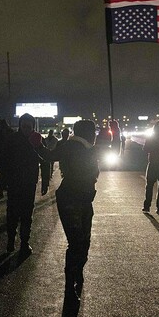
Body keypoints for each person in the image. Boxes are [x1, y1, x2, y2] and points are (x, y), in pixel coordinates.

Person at [32, 120, 99, 304]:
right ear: (86, 133)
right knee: (77, 243)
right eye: (93, 131)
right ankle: (70, 287)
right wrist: (37, 144)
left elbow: (48, 155)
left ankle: (77, 274)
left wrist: (39, 146)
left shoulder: (90, 149)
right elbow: (50, 156)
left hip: (84, 201)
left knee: (83, 243)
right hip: (71, 200)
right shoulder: (72, 147)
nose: (95, 135)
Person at [0, 113, 50, 256]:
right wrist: (4, 180)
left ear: (33, 126)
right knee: (12, 214)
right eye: (24, 125)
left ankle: (24, 242)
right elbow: (3, 161)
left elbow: (45, 160)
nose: (26, 128)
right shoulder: (12, 140)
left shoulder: (38, 140)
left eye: (29, 126)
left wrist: (45, 182)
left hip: (29, 183)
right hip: (15, 183)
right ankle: (11, 241)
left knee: (27, 214)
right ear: (20, 125)